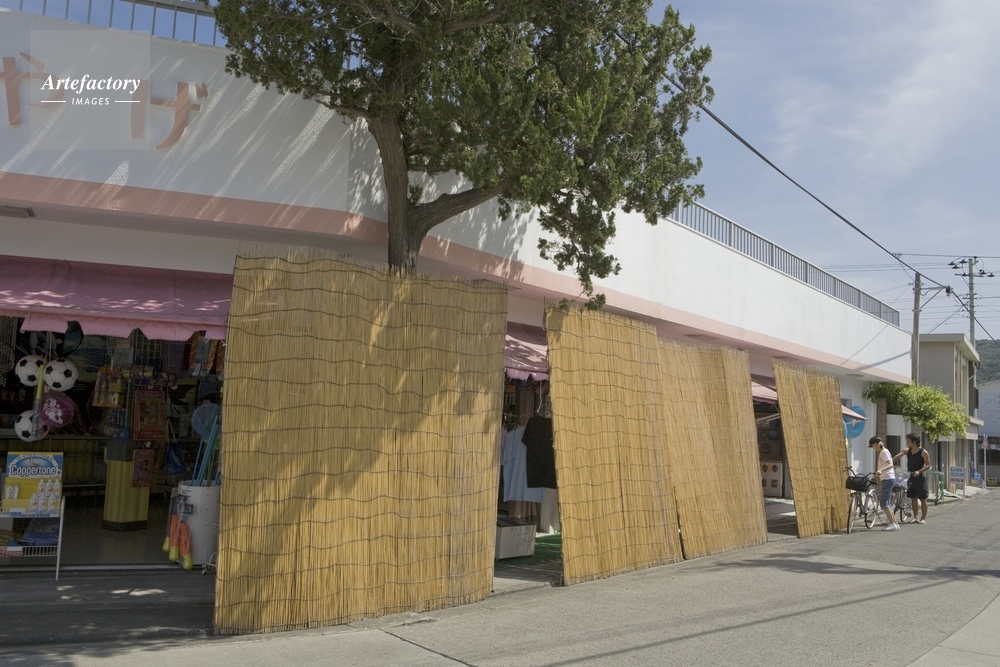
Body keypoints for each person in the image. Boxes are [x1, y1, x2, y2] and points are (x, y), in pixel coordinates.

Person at [893, 433, 931, 524]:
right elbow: (897, 456)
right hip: (910, 476)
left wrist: (919, 471)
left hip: (920, 478)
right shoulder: (907, 450)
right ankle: (915, 517)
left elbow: (928, 465)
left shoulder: (923, 452)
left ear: (914, 442)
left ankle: (923, 518)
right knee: (913, 498)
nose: (907, 442)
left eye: (908, 441)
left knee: (923, 499)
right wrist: (889, 461)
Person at [868, 436, 899, 531]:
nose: (873, 448)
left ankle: (892, 524)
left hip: (888, 479)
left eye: (873, 446)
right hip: (887, 479)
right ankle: (894, 523)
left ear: (876, 444)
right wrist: (877, 476)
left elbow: (890, 464)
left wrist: (880, 470)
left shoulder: (884, 452)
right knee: (887, 502)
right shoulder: (884, 452)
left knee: (884, 502)